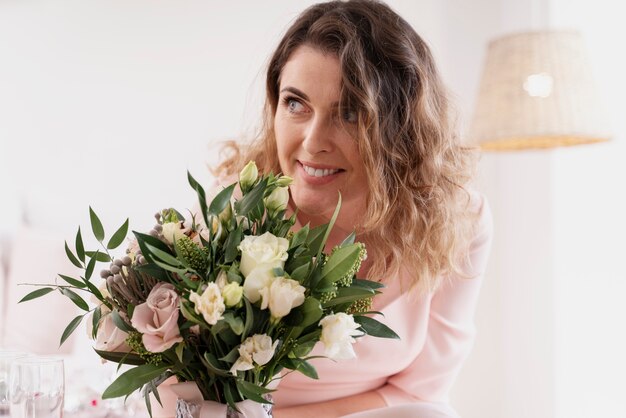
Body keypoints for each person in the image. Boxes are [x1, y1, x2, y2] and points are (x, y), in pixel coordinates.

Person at [213, 1, 493, 417]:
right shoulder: (239, 210)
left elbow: (422, 394)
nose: (312, 141)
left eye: (350, 112)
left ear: (400, 127)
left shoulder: (456, 220)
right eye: (295, 103)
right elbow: (184, 390)